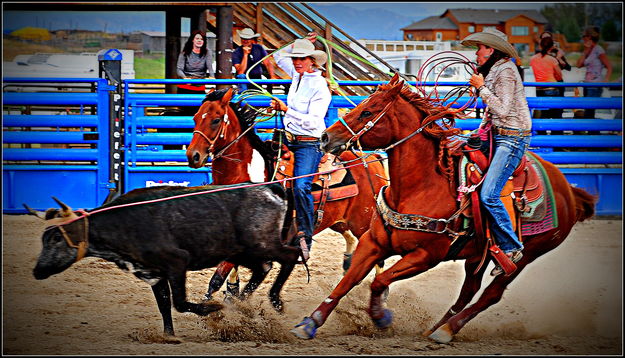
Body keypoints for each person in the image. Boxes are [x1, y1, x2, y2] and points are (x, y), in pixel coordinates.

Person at [461, 28, 531, 276]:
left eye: (480, 48)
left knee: (490, 193)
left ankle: (511, 246)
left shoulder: (507, 71)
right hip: (496, 134)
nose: (477, 53)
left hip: (512, 138)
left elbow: (501, 109)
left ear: (491, 50)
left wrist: (481, 88)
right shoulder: (495, 70)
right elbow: (492, 110)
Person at [270, 32, 331, 261]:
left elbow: (314, 121)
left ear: (312, 61)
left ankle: (306, 234)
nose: (296, 62)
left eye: (302, 58)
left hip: (309, 142)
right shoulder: (298, 76)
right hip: (289, 137)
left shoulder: (319, 86)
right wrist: (301, 40)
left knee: (301, 186)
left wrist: (286, 110)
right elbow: (278, 56)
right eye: (295, 58)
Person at [576, 26, 613, 119]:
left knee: (589, 111)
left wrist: (606, 79)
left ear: (589, 37)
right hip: (587, 84)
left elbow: (609, 66)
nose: (582, 38)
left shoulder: (598, 50)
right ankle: (592, 132)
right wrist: (585, 51)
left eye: (584, 36)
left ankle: (593, 132)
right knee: (588, 111)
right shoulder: (588, 50)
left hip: (595, 85)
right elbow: (579, 64)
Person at [232, 28, 277, 92]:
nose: (245, 41)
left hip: (257, 79)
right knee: (244, 95)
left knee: (257, 96)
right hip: (243, 81)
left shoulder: (259, 48)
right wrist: (245, 55)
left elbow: (267, 63)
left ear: (252, 39)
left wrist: (272, 76)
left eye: (247, 39)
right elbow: (240, 72)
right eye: (243, 38)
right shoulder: (236, 52)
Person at [530, 36, 564, 119]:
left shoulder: (533, 59)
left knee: (543, 115)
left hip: (539, 89)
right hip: (551, 88)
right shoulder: (552, 59)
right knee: (556, 115)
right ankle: (556, 132)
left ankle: (542, 132)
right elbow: (559, 75)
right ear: (552, 47)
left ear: (540, 46)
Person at [176, 29, 215, 96]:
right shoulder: (184, 53)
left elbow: (210, 67)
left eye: (201, 39)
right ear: (192, 40)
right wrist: (185, 78)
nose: (199, 40)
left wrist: (212, 77)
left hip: (199, 85)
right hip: (186, 85)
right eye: (197, 38)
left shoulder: (207, 52)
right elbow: (179, 69)